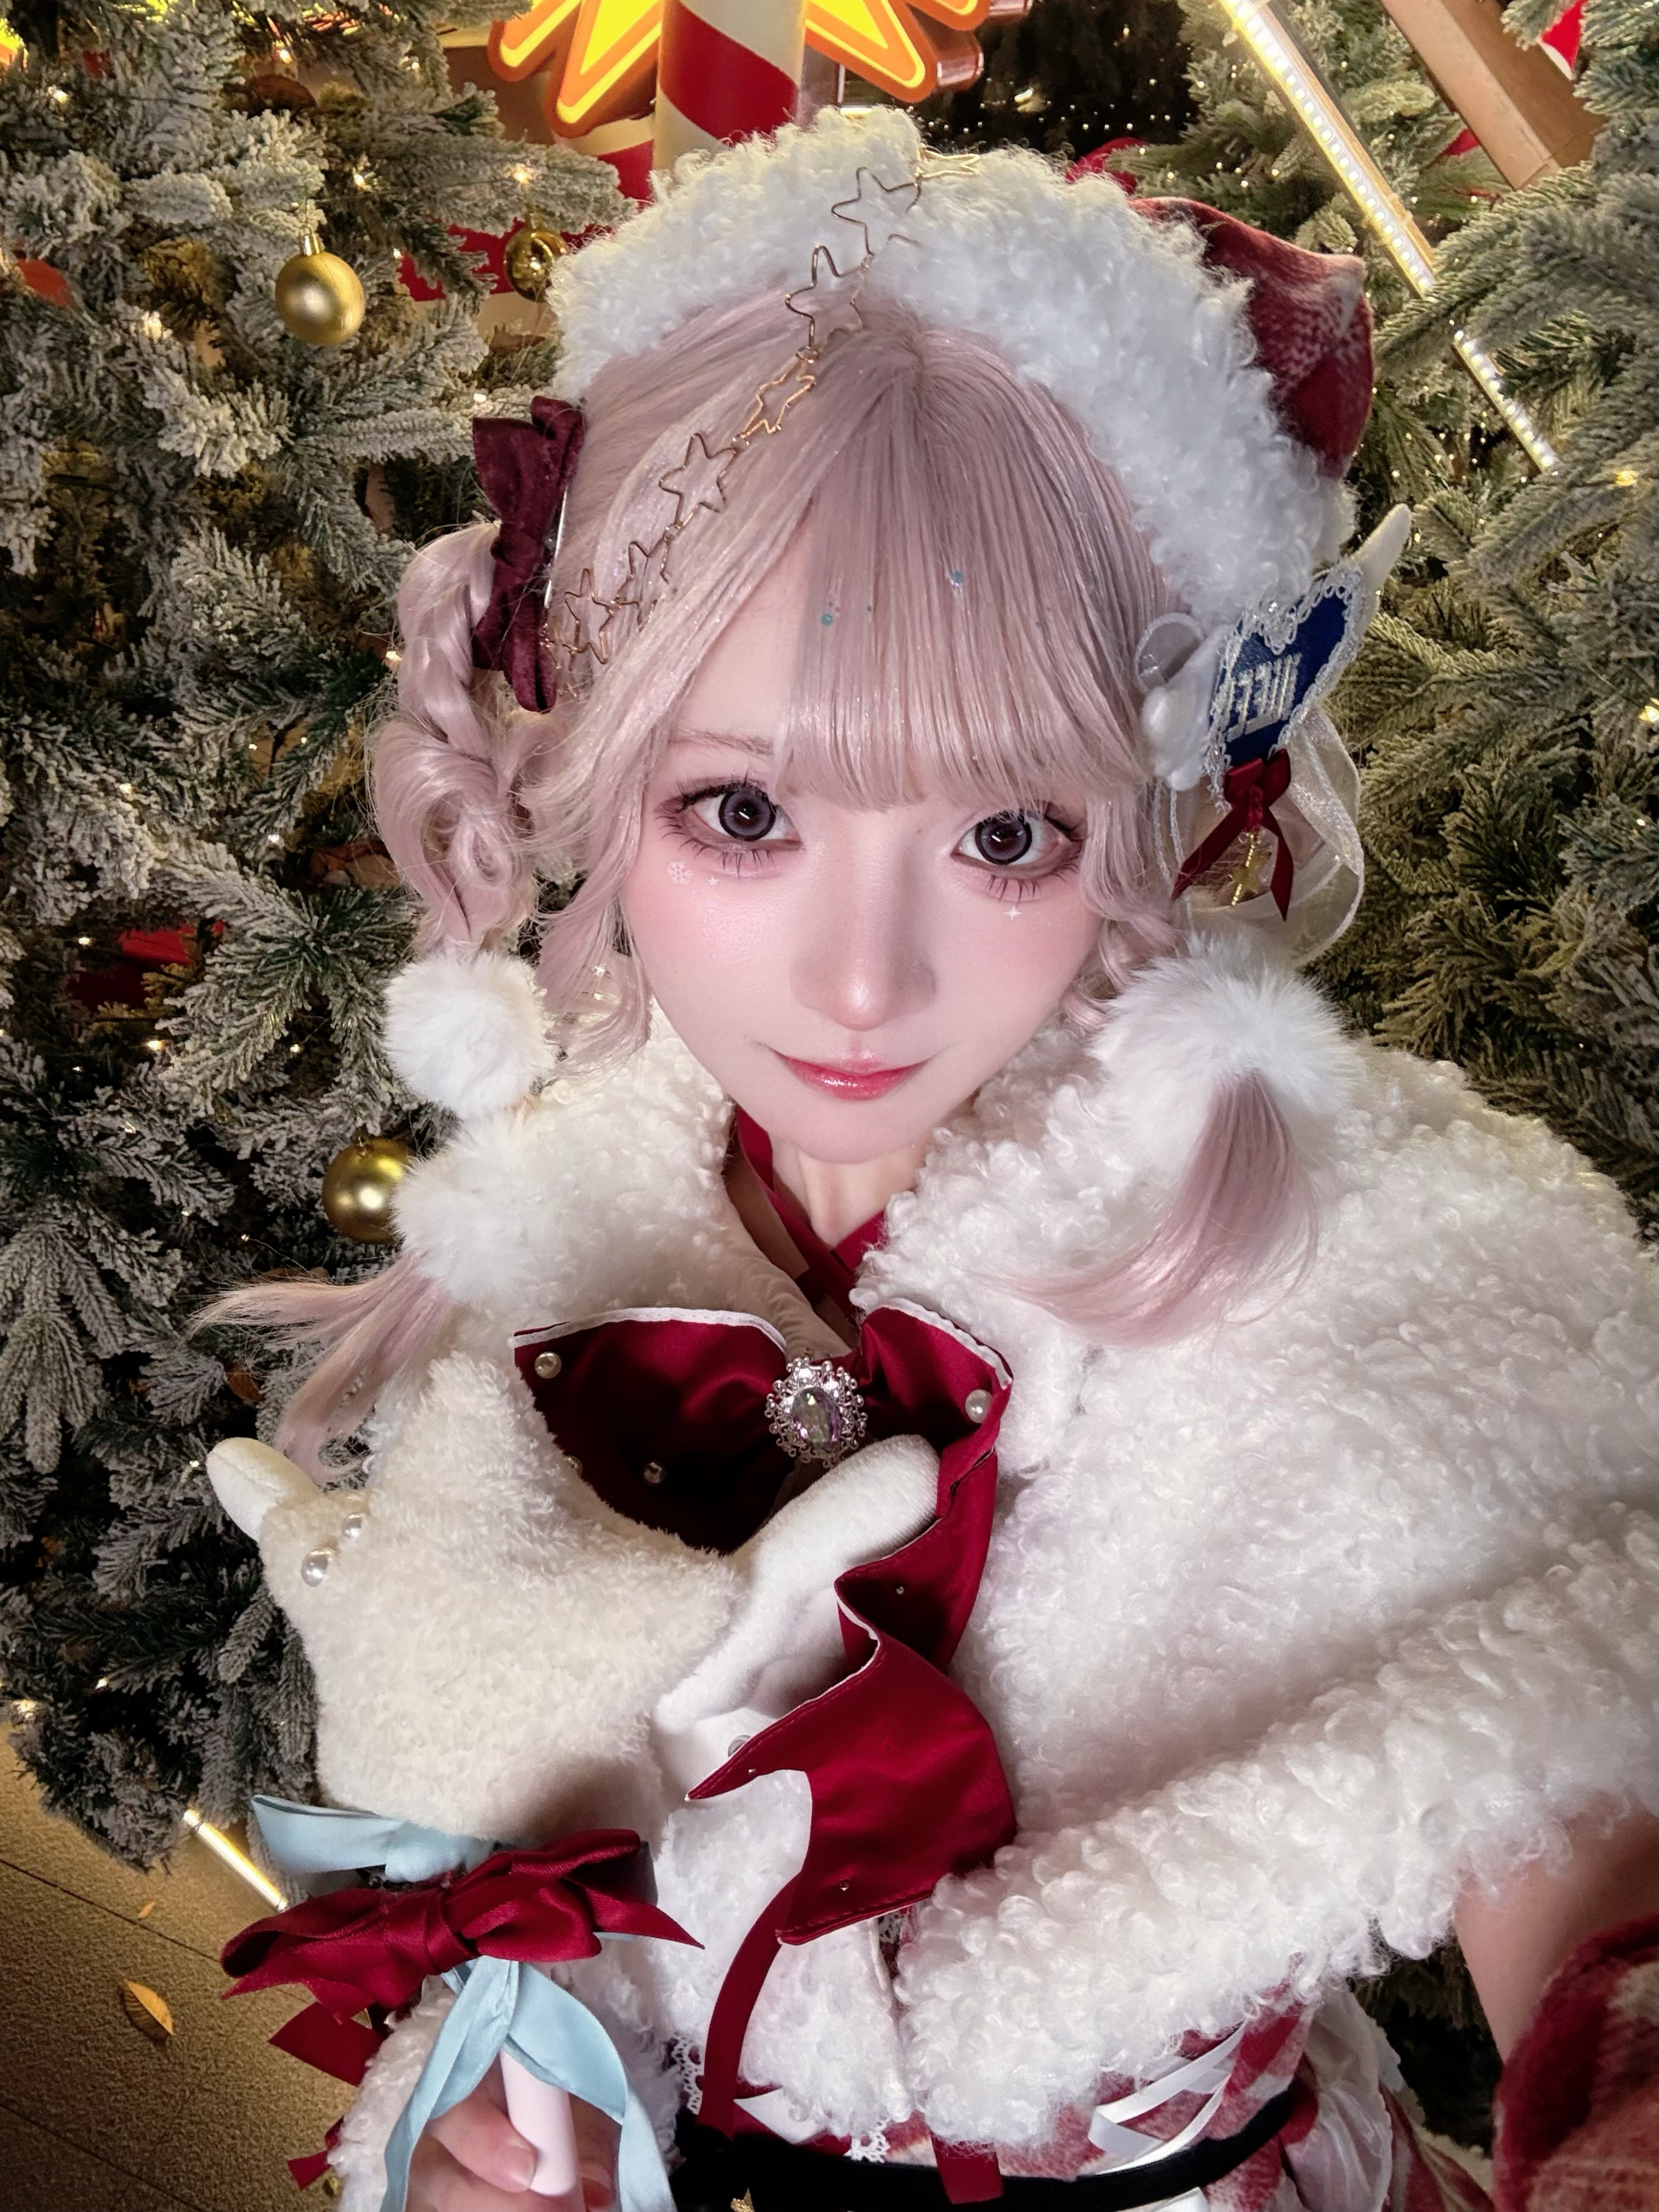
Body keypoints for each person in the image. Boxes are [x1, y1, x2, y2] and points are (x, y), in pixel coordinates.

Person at [230, 110, 1659, 2212]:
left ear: (1153, 820)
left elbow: (1576, 1798)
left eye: (1005, 832)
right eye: (744, 813)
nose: (863, 977)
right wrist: (513, 2108)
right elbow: (543, 1855)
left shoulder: (1363, 1277)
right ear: (596, 775)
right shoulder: (564, 1202)